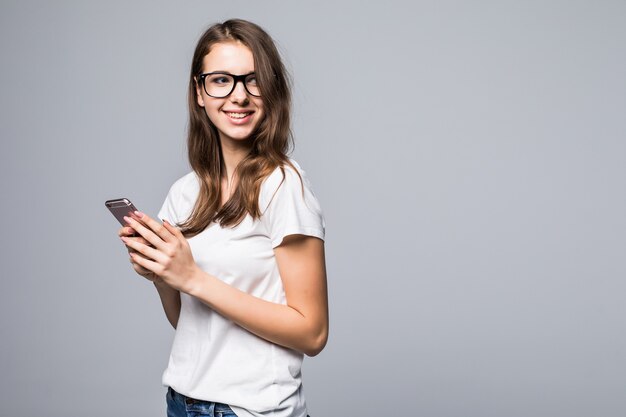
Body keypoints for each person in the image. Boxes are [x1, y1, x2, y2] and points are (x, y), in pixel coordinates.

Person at [117, 19, 327, 417]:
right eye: (220, 80)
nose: (239, 96)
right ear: (199, 91)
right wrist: (163, 278)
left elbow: (312, 332)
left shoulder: (284, 185)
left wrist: (193, 277)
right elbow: (190, 323)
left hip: (251, 409)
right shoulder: (185, 192)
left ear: (273, 89)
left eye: (253, 80)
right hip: (182, 401)